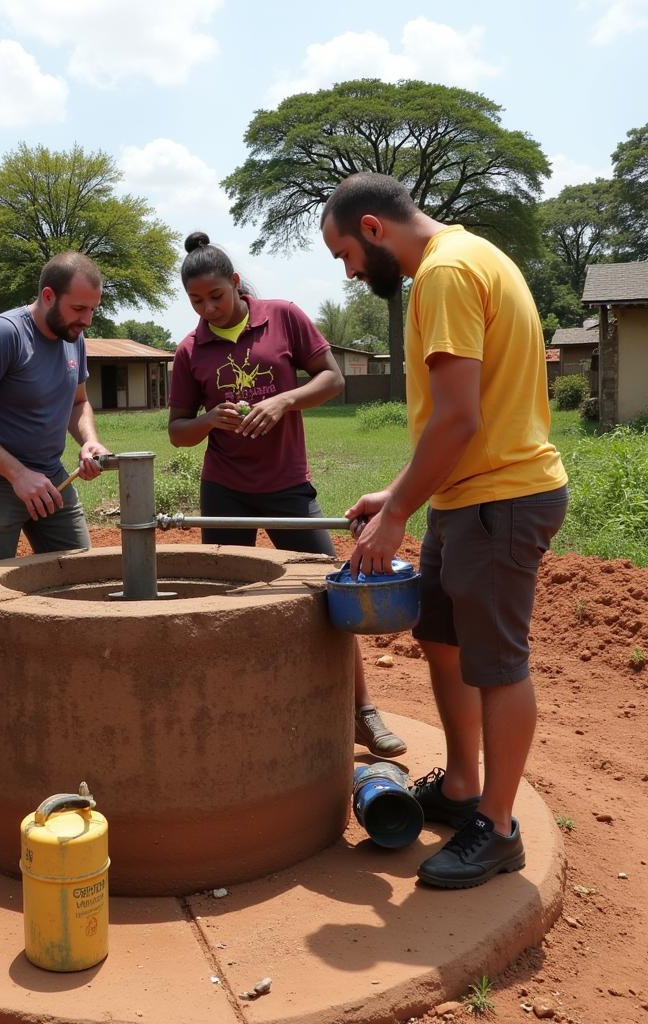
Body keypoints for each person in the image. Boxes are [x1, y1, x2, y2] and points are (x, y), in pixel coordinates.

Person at [321, 173, 569, 889]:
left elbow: (460, 416)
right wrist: (398, 490)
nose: (349, 272)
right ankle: (462, 787)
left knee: (496, 663)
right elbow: (459, 416)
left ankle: (496, 828)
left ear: (373, 229)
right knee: (442, 638)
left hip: (501, 498)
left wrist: (397, 512)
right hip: (469, 495)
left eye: (345, 255)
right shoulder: (469, 257)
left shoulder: (446, 274)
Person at [168, 231, 408, 759]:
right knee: (223, 600)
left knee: (331, 591)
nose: (208, 308)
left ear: (236, 283)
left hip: (287, 486)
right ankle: (234, 709)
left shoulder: (283, 316)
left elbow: (331, 380)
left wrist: (283, 402)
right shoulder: (190, 350)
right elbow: (177, 431)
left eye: (217, 296)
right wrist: (207, 419)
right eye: (197, 302)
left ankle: (360, 711)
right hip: (225, 490)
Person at [0, 251, 110, 560]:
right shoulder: (5, 333)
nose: (86, 320)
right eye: (78, 308)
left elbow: (79, 401)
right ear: (48, 296)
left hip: (52, 478)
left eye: (92, 310)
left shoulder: (74, 337)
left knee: (79, 569)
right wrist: (18, 475)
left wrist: (90, 441)